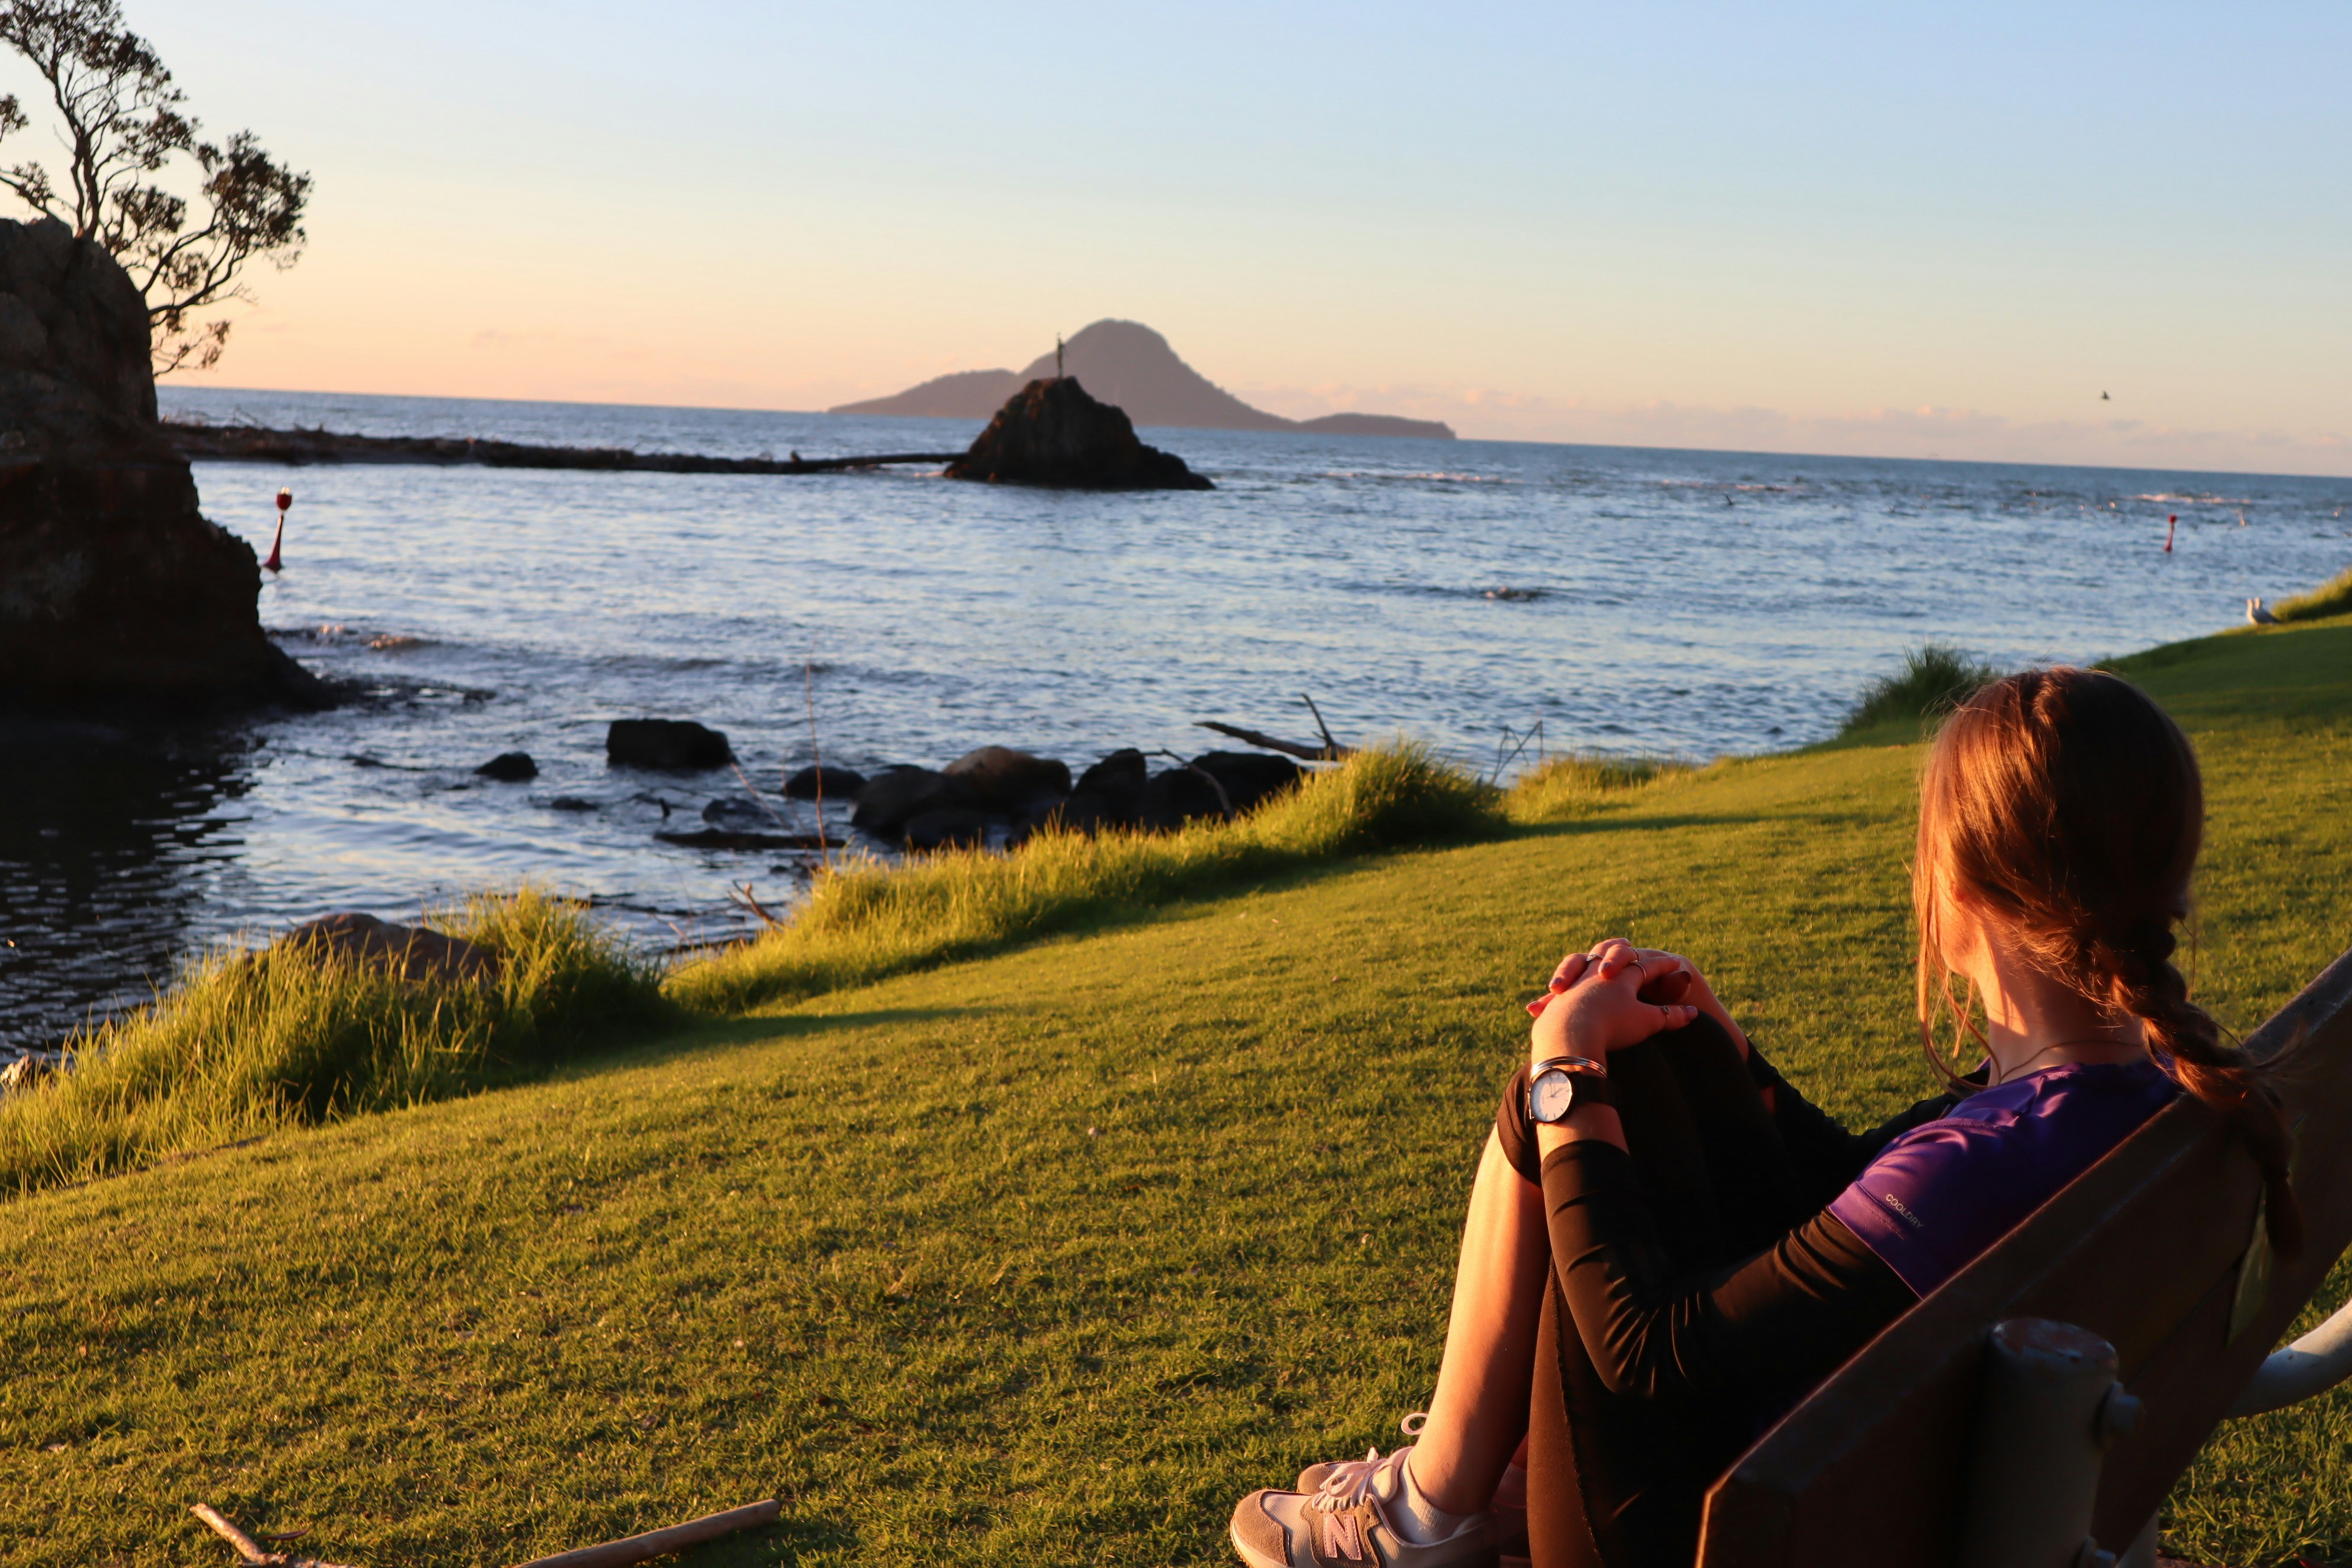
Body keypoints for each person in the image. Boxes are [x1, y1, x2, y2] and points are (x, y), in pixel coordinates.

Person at [1228, 667, 2302, 1568]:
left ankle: (1423, 1509)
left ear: (1963, 887)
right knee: (1646, 1072)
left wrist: (1560, 1070)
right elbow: (1858, 1220)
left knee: (1566, 1099)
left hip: (1692, 1534)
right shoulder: (2154, 1098)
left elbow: (1645, 1352)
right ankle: (1445, 1496)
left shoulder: (1994, 1159)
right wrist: (1724, 1056)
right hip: (1890, 1498)